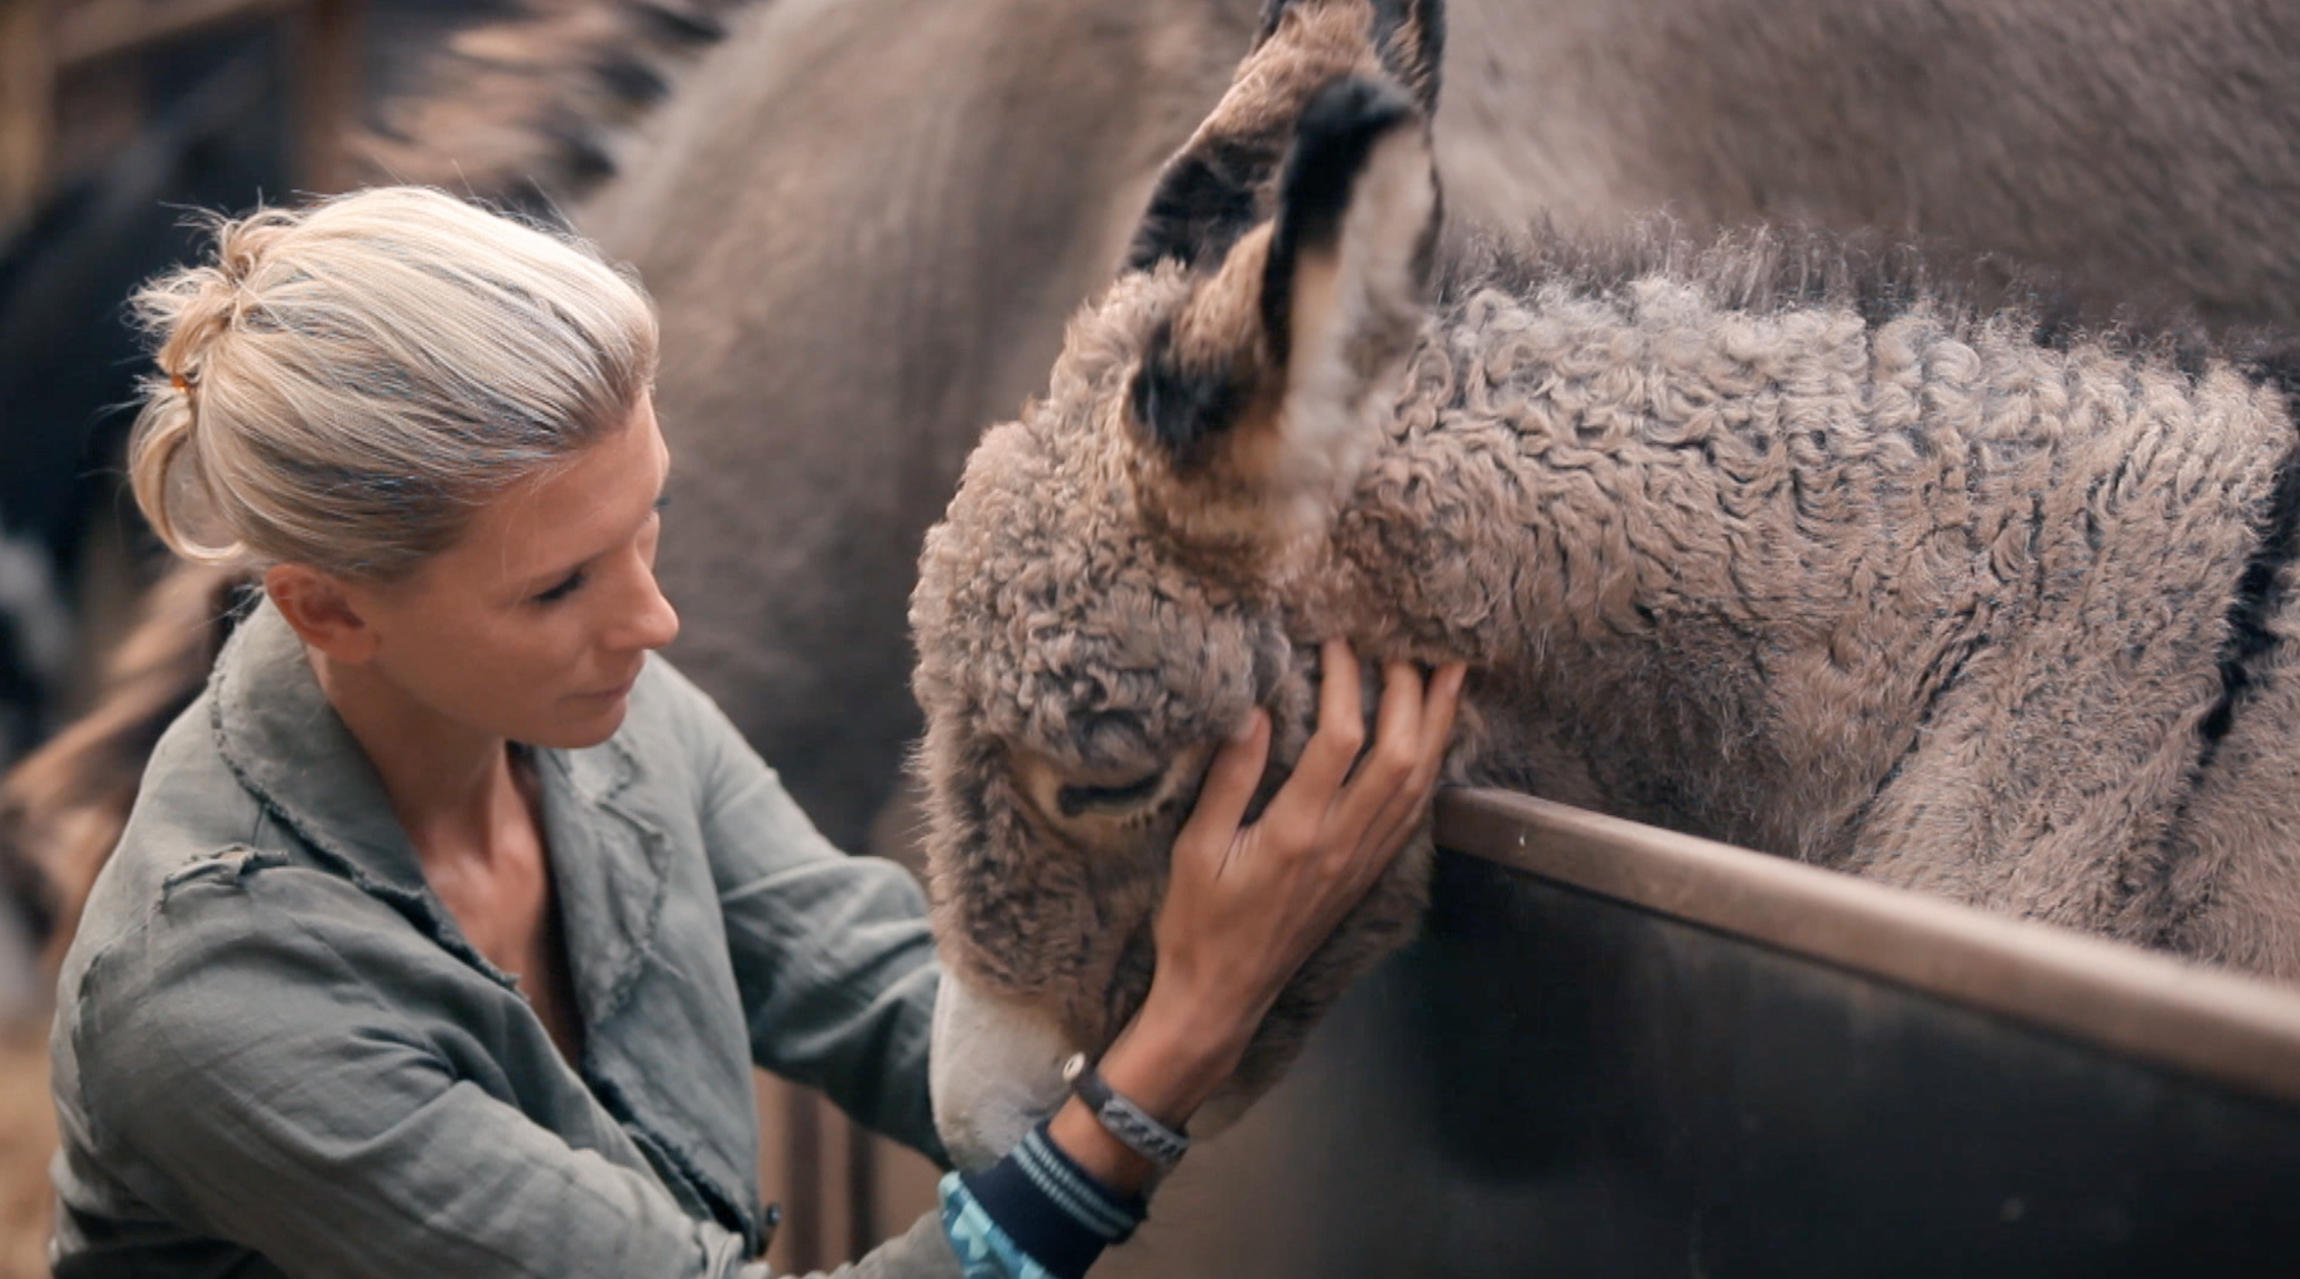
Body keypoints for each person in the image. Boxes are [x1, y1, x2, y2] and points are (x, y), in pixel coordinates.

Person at [46, 186, 1466, 1278]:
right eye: (558, 587)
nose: (655, 624)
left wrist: (1207, 922)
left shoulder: (589, 714)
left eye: (644, 526)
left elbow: (887, 1005)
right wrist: (1187, 1031)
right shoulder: (216, 1006)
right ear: (329, 612)